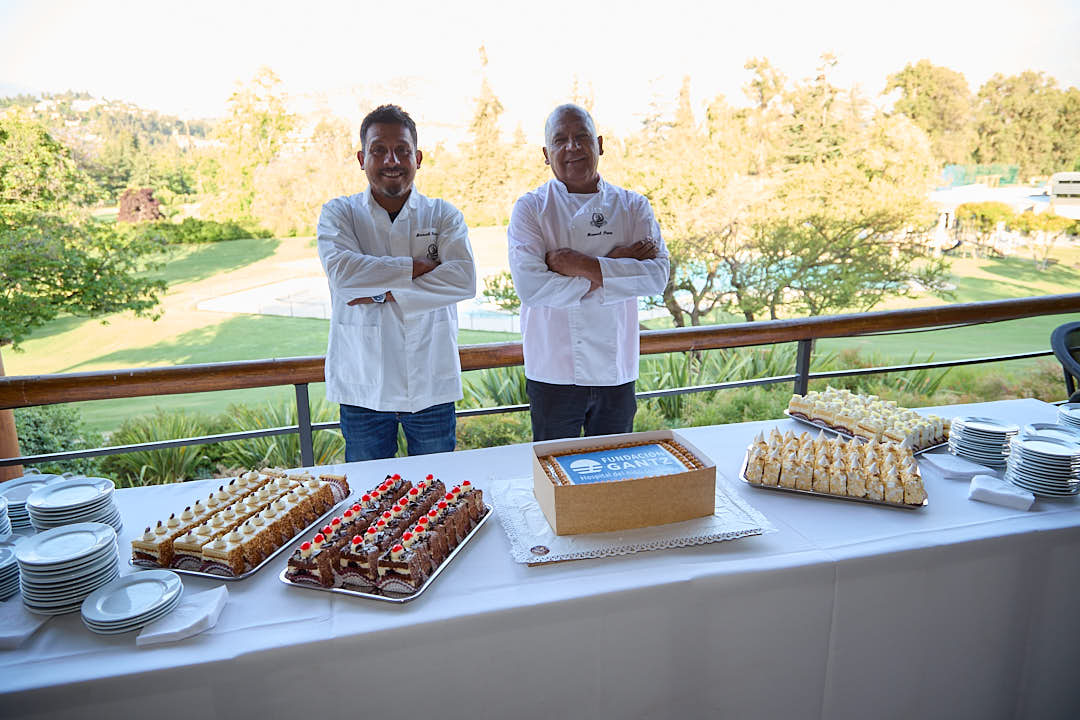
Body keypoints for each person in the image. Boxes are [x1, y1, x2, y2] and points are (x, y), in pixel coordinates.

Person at [317, 104, 476, 461]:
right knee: (368, 491)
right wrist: (417, 267)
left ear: (417, 158)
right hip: (364, 389)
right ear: (362, 159)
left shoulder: (443, 215)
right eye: (379, 150)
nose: (392, 160)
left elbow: (464, 279)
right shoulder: (340, 213)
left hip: (431, 385)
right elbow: (343, 274)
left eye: (402, 150)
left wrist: (382, 292)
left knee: (439, 486)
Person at [508, 104, 669, 441]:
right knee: (554, 468)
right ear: (546, 154)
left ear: (600, 144)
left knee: (614, 468)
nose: (573, 147)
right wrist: (618, 262)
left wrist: (580, 264)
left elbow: (657, 276)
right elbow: (531, 287)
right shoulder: (531, 208)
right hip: (552, 369)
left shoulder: (633, 206)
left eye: (582, 137)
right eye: (560, 140)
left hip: (616, 371)